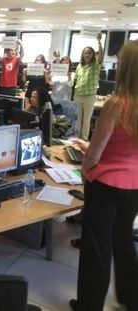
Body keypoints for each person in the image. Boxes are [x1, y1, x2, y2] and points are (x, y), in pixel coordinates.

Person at [70, 40, 138, 311]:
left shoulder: (116, 104)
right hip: (135, 187)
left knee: (96, 249)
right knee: (123, 243)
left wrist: (86, 172)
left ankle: (89, 305)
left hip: (106, 186)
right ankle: (131, 299)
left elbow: (95, 154)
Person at [73, 33, 104, 140]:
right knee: (78, 118)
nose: (87, 55)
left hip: (89, 96)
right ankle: (76, 138)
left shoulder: (95, 64)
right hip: (78, 95)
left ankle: (84, 139)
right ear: (83, 54)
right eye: (85, 53)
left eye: (90, 53)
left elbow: (100, 56)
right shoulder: (79, 66)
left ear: (93, 55)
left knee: (86, 120)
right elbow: (76, 80)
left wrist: (99, 42)